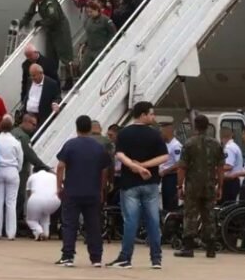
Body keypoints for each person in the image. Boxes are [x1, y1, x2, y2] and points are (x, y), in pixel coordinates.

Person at [107, 101, 168, 270]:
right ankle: (156, 259)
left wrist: (135, 166)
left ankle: (125, 258)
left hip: (129, 183)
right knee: (153, 221)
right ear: (143, 115)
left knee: (130, 221)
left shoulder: (124, 133)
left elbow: (120, 155)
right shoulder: (155, 134)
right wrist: (145, 166)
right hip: (151, 183)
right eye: (151, 113)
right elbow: (164, 157)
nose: (153, 116)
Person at [55, 115, 112, 267]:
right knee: (93, 224)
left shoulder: (70, 145)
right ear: (90, 128)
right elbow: (104, 170)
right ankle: (96, 258)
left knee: (69, 224)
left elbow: (60, 166)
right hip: (92, 191)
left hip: (72, 191)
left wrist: (59, 185)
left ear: (77, 127)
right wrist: (102, 188)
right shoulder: (99, 147)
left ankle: (68, 256)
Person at [174, 114, 224, 258]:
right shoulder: (216, 144)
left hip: (192, 186)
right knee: (209, 215)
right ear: (208, 126)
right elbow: (220, 168)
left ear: (195, 126)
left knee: (190, 215)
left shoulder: (189, 144)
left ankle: (188, 247)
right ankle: (211, 248)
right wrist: (220, 186)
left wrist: (179, 186)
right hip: (209, 185)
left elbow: (182, 167)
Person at [20, 0, 75, 89]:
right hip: (50, 32)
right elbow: (29, 15)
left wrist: (41, 22)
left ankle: (69, 80)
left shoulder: (50, 3)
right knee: (51, 58)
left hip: (60, 31)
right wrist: (21, 24)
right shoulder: (36, 4)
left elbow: (54, 18)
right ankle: (54, 82)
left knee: (65, 56)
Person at [11, 113, 49, 230]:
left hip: (9, 171)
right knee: (19, 198)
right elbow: (30, 155)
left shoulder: (13, 133)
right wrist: (44, 166)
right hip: (19, 172)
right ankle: (13, 226)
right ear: (26, 122)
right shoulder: (23, 137)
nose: (34, 127)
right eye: (33, 124)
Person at [0, 116, 23, 240]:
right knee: (11, 203)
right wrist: (16, 169)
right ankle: (11, 233)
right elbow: (20, 159)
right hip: (12, 170)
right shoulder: (16, 142)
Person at [80, 0, 117, 73]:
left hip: (101, 48)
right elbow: (89, 34)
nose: (89, 14)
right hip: (90, 48)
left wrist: (110, 44)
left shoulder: (105, 20)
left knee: (100, 69)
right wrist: (85, 43)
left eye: (91, 12)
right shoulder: (88, 21)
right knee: (84, 68)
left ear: (96, 10)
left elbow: (113, 33)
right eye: (88, 12)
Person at [25, 167, 59, 241]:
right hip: (54, 200)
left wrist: (31, 205)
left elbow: (28, 193)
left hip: (36, 198)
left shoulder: (32, 176)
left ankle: (39, 231)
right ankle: (46, 233)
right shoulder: (54, 176)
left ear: (34, 171)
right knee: (46, 214)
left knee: (31, 220)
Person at [158, 123, 183, 212]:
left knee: (171, 204)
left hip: (172, 178)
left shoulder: (176, 146)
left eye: (161, 132)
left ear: (168, 132)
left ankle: (173, 223)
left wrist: (166, 171)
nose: (160, 135)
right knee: (165, 203)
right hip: (165, 178)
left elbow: (179, 163)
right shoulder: (166, 144)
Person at [220, 127, 244, 204]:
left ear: (221, 136)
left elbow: (228, 166)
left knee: (225, 205)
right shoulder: (234, 146)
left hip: (230, 182)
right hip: (233, 181)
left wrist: (215, 169)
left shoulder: (229, 148)